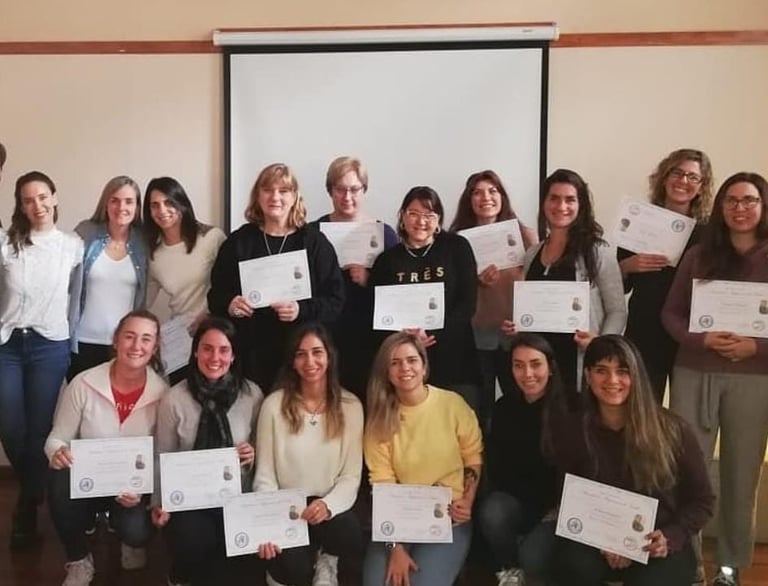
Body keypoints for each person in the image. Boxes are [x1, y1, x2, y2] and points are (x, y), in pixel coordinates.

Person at [662, 172, 768, 586]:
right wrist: (701, 338)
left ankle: (729, 567)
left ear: (763, 206)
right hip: (694, 373)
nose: (740, 208)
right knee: (689, 472)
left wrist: (755, 348)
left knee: (742, 475)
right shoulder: (699, 255)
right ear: (720, 207)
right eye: (731, 200)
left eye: (749, 200)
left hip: (753, 380)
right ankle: (687, 566)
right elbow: (670, 314)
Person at [550, 335, 715, 586]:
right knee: (567, 566)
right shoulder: (574, 430)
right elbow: (568, 494)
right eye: (601, 371)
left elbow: (703, 500)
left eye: (622, 371)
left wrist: (671, 536)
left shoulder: (673, 430)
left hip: (657, 543)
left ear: (636, 375)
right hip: (597, 542)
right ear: (587, 376)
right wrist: (603, 540)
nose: (612, 380)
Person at [45, 310, 168, 586]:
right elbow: (57, 438)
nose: (136, 346)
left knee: (137, 532)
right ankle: (78, 559)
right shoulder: (83, 382)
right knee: (58, 478)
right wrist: (57, 452)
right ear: (116, 340)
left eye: (146, 339)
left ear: (155, 347)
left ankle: (127, 537)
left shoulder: (163, 395)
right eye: (129, 336)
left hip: (130, 490)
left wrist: (141, 492)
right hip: (87, 482)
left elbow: (160, 456)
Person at [0, 171, 84, 548]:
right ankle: (34, 488)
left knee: (39, 430)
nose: (37, 205)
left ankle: (26, 506)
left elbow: (78, 297)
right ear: (20, 206)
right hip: (8, 344)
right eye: (28, 200)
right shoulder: (7, 244)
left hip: (50, 344)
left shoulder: (73, 246)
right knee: (10, 426)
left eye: (43, 197)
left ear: (54, 197)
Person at [208, 163, 345, 392]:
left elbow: (335, 301)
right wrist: (230, 304)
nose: (275, 197)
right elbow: (215, 296)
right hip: (250, 356)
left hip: (301, 359)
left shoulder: (313, 242)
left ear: (294, 196)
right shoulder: (239, 242)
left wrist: (301, 309)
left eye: (283, 191)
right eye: (268, 190)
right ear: (257, 195)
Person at [362, 332, 483, 586]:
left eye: (411, 360)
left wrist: (468, 500)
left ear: (424, 365)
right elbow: (382, 483)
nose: (405, 368)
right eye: (395, 363)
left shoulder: (453, 404)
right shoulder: (378, 420)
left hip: (447, 515)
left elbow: (472, 455)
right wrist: (395, 547)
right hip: (399, 517)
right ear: (386, 372)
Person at [153, 316, 263, 586]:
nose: (215, 358)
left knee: (236, 570)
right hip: (191, 499)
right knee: (194, 543)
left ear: (233, 355)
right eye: (207, 348)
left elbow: (264, 449)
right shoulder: (174, 399)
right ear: (195, 352)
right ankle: (181, 572)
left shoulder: (252, 395)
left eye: (224, 350)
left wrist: (253, 452)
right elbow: (162, 456)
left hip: (238, 494)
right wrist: (158, 502)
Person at [254, 323, 364, 586]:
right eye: (301, 354)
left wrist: (328, 505)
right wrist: (270, 521)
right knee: (295, 571)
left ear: (329, 357)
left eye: (317, 352)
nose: (310, 361)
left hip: (327, 507)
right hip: (287, 508)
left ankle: (328, 558)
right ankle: (284, 572)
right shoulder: (273, 406)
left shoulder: (351, 406)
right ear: (293, 362)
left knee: (350, 534)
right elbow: (265, 476)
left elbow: (351, 476)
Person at [506, 168, 626, 399]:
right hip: (539, 369)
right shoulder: (532, 254)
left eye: (570, 199)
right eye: (554, 198)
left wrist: (599, 344)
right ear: (544, 203)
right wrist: (517, 325)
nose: (561, 206)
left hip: (576, 363)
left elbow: (617, 310)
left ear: (581, 205)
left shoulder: (597, 251)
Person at [369, 186, 481, 411]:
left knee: (459, 424)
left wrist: (430, 333)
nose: (421, 221)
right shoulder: (386, 261)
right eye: (413, 214)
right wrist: (405, 336)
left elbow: (467, 304)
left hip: (454, 359)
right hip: (405, 365)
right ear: (402, 217)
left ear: (438, 219)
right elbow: (377, 314)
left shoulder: (457, 248)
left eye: (429, 215)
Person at [618, 149, 714, 401]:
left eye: (693, 177)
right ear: (664, 177)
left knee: (687, 411)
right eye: (677, 173)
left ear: (702, 187)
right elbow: (618, 287)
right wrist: (626, 267)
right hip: (644, 329)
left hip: (687, 332)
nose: (683, 181)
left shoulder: (710, 234)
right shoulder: (639, 221)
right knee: (642, 408)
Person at [449, 170, 539, 427]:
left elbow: (538, 286)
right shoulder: (456, 241)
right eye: (477, 193)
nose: (485, 197)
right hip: (476, 337)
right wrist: (475, 280)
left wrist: (526, 322)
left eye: (492, 191)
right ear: (469, 200)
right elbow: (451, 291)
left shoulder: (525, 235)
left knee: (522, 403)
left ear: (502, 196)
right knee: (482, 409)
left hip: (517, 335)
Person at [477, 333, 564, 586]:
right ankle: (510, 569)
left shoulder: (571, 407)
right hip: (518, 501)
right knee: (493, 512)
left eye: (536, 364)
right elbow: (498, 465)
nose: (527, 374)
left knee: (532, 558)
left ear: (550, 367)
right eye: (518, 365)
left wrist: (555, 509)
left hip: (557, 507)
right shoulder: (504, 407)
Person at [312, 156, 398, 402]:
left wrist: (370, 279)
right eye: (340, 189)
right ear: (330, 191)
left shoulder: (385, 234)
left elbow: (398, 292)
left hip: (369, 338)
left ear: (364, 190)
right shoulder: (313, 233)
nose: (347, 196)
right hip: (326, 335)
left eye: (354, 189)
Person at [143, 176, 226, 383]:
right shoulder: (154, 253)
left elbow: (231, 284)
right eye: (155, 205)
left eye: (168, 202)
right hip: (180, 339)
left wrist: (210, 314)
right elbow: (144, 301)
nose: (162, 210)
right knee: (181, 395)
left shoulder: (211, 237)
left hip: (215, 331)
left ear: (181, 203)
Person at [69, 176, 148, 380]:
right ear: (105, 204)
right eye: (115, 200)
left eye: (129, 201)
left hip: (125, 345)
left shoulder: (145, 242)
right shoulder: (86, 232)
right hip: (83, 341)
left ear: (137, 207)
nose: (121, 207)